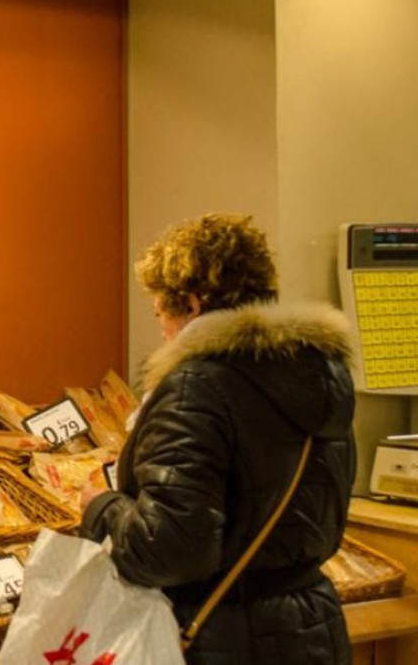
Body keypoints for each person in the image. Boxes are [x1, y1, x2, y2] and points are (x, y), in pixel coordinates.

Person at [80, 213, 356, 664]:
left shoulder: (197, 387)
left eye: (161, 313)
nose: (162, 330)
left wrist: (101, 508)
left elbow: (172, 549)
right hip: (311, 627)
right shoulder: (320, 375)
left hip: (225, 637)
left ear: (191, 305)